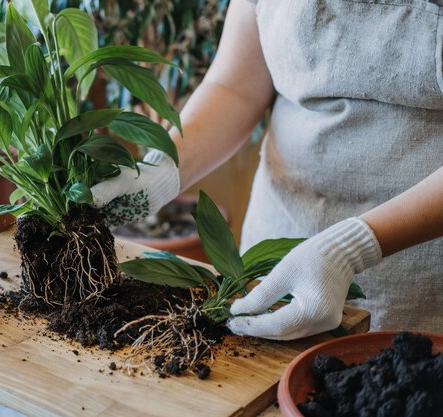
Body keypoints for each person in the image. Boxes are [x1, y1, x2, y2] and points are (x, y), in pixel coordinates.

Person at [91, 0, 443, 340]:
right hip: (274, 253)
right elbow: (235, 85)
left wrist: (352, 247)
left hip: (415, 282)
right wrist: (160, 170)